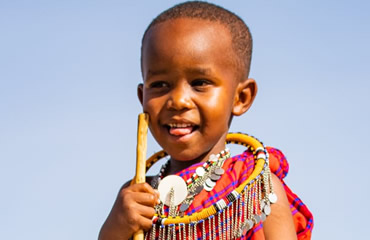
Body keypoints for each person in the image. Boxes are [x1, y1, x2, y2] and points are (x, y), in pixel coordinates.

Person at [99, 1, 313, 240]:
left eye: (199, 83)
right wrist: (113, 230)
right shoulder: (137, 196)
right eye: (159, 85)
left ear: (241, 97)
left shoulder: (257, 189)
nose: (178, 101)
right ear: (142, 97)